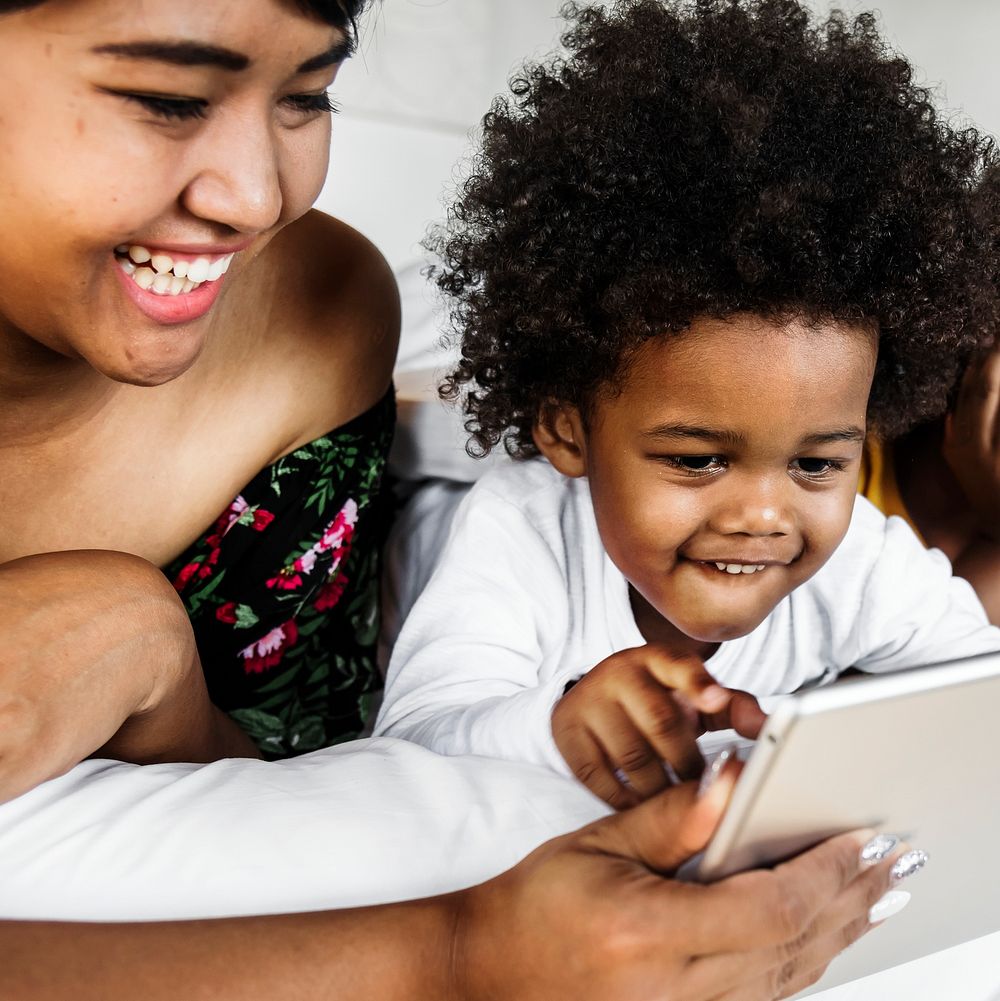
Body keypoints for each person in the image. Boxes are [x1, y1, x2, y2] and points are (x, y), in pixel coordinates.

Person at [0, 2, 910, 998]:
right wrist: (454, 954)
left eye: (307, 97)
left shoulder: (316, 317)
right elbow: (436, 737)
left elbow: (284, 787)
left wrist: (138, 652)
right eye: (168, 100)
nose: (256, 197)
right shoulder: (512, 533)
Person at [374, 0, 1000, 811]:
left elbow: (978, 697)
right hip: (424, 488)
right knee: (419, 412)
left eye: (816, 462)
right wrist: (558, 723)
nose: (764, 513)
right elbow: (415, 738)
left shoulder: (859, 562)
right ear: (566, 427)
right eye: (699, 458)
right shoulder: (519, 533)